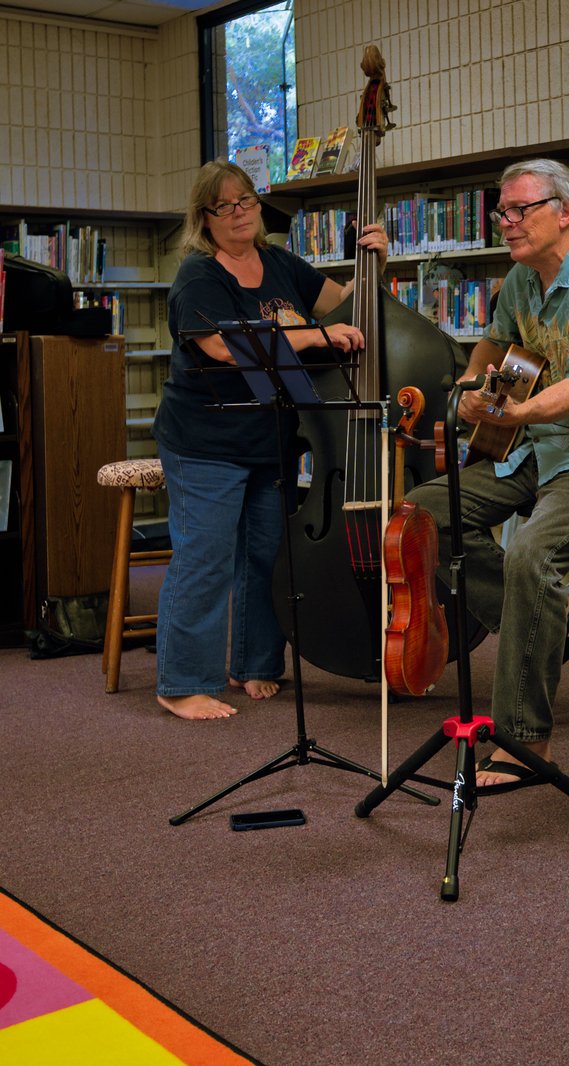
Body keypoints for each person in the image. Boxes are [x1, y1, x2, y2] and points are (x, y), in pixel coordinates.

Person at [407, 159, 569, 788]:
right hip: (542, 447)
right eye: (502, 212)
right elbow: (494, 351)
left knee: (530, 553)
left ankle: (527, 742)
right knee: (422, 513)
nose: (507, 222)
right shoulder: (521, 281)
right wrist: (473, 386)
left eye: (520, 209)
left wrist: (516, 410)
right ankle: (539, 608)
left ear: (565, 213)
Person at [154, 159, 386, 720]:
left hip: (273, 437)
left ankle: (254, 664)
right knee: (205, 558)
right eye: (225, 206)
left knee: (266, 555)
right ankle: (181, 682)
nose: (240, 213)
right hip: (206, 439)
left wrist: (374, 259)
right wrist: (313, 336)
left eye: (248, 201)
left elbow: (346, 303)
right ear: (204, 218)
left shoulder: (281, 262)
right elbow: (218, 348)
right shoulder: (199, 274)